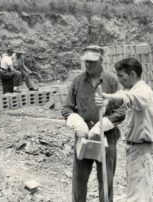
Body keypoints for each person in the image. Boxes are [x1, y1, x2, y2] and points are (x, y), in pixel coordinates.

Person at [61, 45, 125, 202]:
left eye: (92, 61)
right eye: (86, 61)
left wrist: (103, 124)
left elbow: (121, 111)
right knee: (79, 179)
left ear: (101, 60)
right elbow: (67, 108)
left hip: (107, 136)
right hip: (83, 135)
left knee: (106, 178)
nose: (88, 64)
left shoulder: (112, 81)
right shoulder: (77, 81)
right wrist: (77, 122)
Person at [94, 58, 153, 202]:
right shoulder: (137, 90)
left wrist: (108, 97)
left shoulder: (142, 92)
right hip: (137, 151)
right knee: (142, 196)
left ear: (133, 74)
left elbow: (127, 96)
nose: (119, 80)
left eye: (122, 76)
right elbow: (126, 94)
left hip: (142, 152)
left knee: (137, 198)